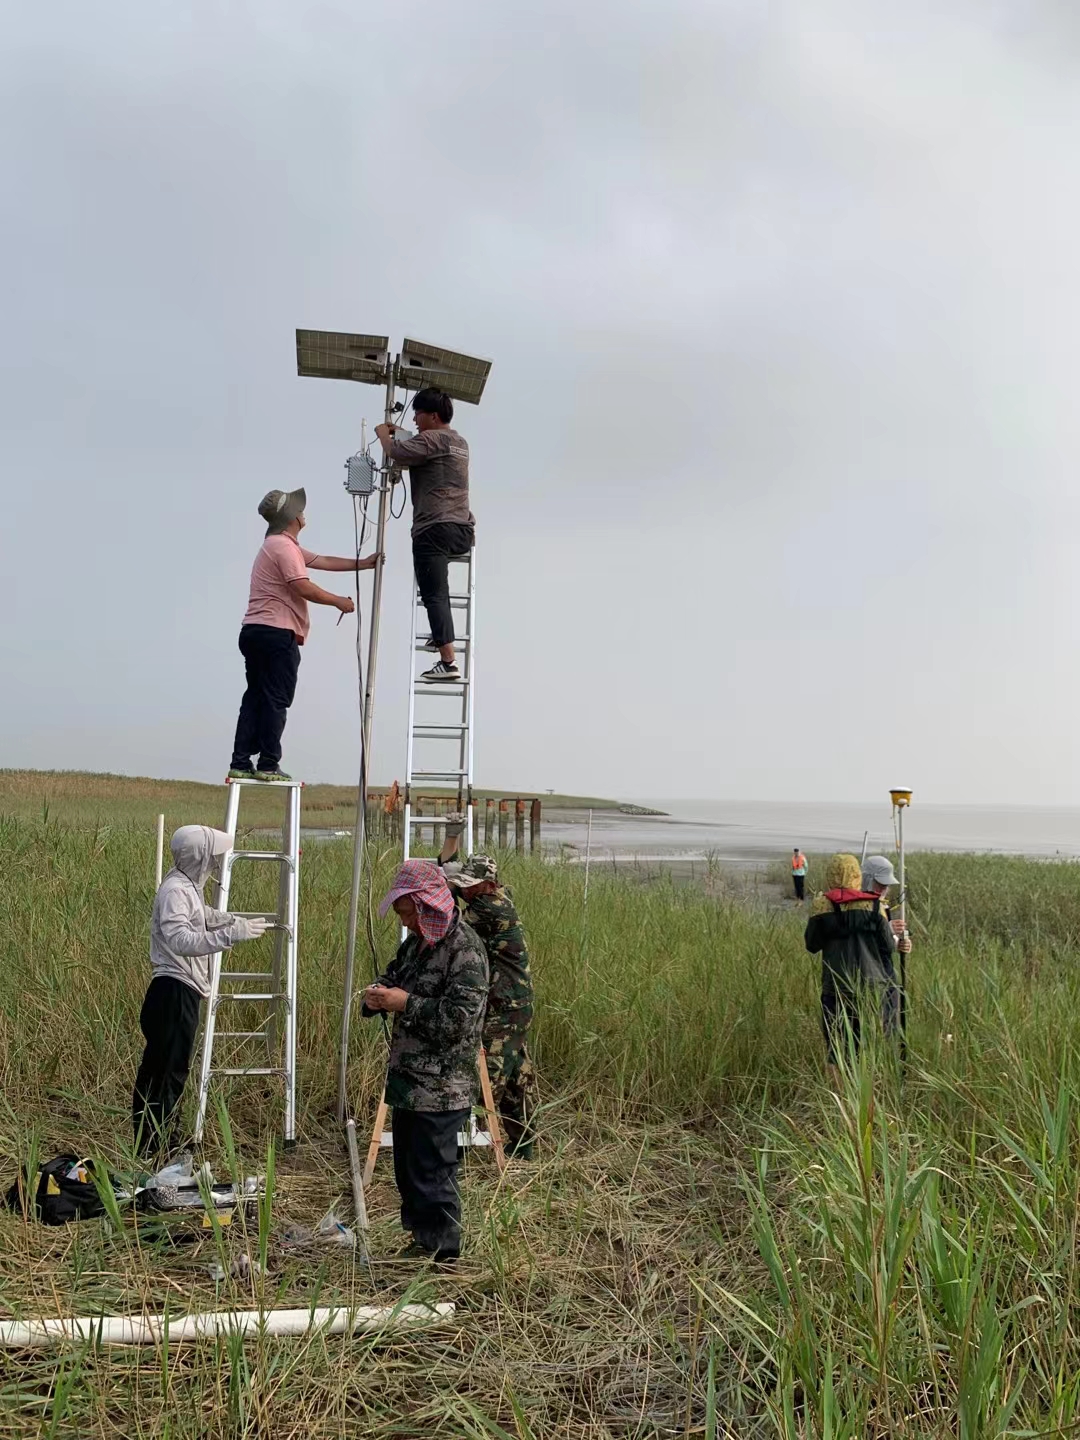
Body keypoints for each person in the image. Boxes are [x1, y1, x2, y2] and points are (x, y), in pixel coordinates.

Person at [363, 860, 488, 1261]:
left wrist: (407, 1003)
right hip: (408, 1082)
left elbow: (460, 1019)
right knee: (409, 1169)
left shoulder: (465, 950)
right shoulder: (416, 944)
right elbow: (394, 975)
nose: (404, 923)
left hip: (442, 1086)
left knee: (434, 1172)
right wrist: (379, 993)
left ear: (423, 906)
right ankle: (420, 1241)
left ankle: (443, 1256)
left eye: (405, 913)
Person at [133, 826, 268, 1157]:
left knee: (166, 1068)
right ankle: (154, 1146)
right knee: (167, 1072)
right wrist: (228, 936)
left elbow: (201, 916)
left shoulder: (185, 886)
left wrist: (229, 920)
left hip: (178, 990)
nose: (216, 863)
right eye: (212, 857)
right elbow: (180, 939)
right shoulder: (174, 892)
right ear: (200, 857)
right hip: (173, 991)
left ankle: (157, 1139)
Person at [229, 488, 379, 781]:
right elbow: (301, 585)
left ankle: (241, 760)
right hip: (276, 633)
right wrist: (338, 600)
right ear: (292, 517)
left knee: (256, 697)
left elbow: (323, 560)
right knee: (276, 698)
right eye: (300, 509)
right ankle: (268, 763)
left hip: (255, 631)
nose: (303, 513)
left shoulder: (281, 545)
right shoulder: (283, 548)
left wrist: (363, 563)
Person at [439, 824, 538, 1157]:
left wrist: (442, 882)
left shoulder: (487, 910)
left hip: (505, 1005)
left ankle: (462, 1143)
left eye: (470, 886)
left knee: (488, 1074)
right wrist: (450, 855)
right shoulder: (500, 895)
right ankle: (522, 1143)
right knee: (516, 1074)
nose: (464, 890)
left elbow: (449, 925)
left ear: (487, 884)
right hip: (514, 1003)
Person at [374, 389, 472, 684]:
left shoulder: (429, 440)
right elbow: (422, 446)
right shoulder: (459, 442)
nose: (415, 419)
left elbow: (399, 452)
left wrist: (383, 434)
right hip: (462, 529)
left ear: (433, 415)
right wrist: (401, 432)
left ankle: (448, 661)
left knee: (434, 594)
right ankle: (443, 636)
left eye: (418, 414)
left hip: (433, 529)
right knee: (438, 593)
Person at [803, 853, 899, 1076]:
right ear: (857, 875)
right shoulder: (875, 906)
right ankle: (868, 1101)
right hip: (872, 987)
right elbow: (887, 947)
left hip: (836, 988)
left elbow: (812, 945)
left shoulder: (821, 905)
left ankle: (837, 1102)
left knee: (836, 1049)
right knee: (869, 1046)